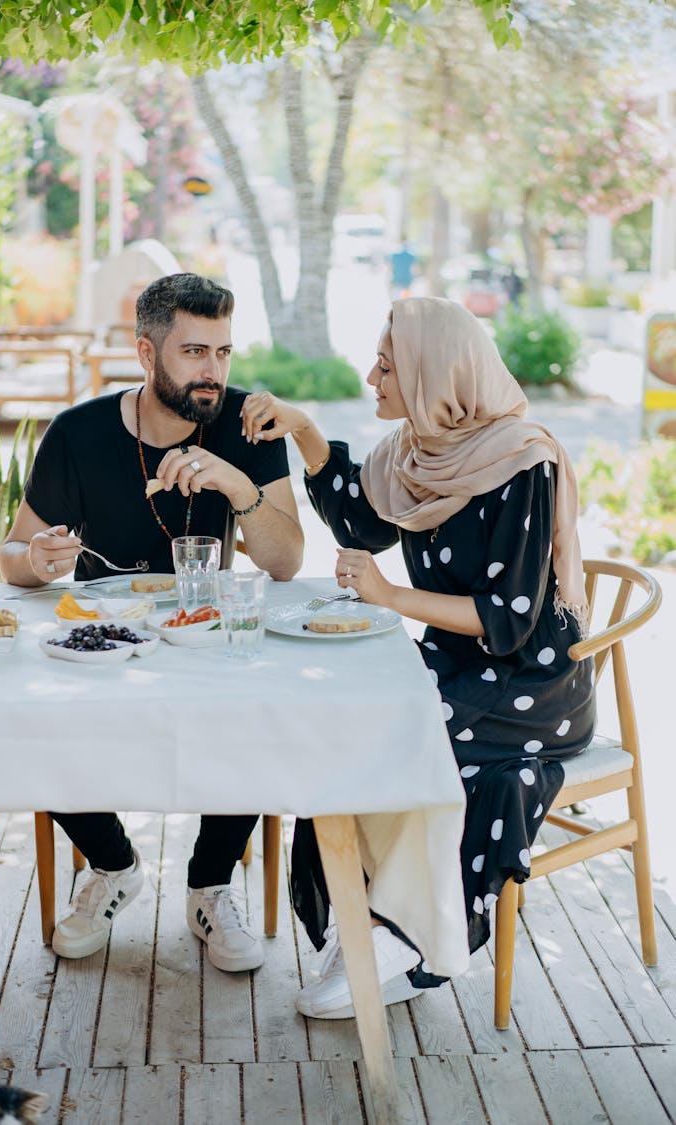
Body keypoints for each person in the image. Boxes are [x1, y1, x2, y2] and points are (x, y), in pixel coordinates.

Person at [239, 296, 596, 1018]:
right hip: (455, 669)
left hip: (531, 684)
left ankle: (412, 940)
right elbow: (357, 517)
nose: (372, 378)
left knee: (395, 733)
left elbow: (512, 619)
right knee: (347, 719)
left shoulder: (522, 462)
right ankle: (370, 917)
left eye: (387, 366)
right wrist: (304, 427)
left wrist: (391, 597)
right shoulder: (416, 452)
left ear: (436, 376)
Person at [0, 272, 304, 971]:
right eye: (195, 351)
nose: (214, 372)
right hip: (105, 645)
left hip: (205, 636)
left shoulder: (247, 423)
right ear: (146, 352)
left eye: (223, 351)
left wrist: (237, 483)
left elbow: (285, 561)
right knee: (27, 719)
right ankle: (111, 865)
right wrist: (40, 560)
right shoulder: (77, 433)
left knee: (263, 709)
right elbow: (13, 554)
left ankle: (210, 883)